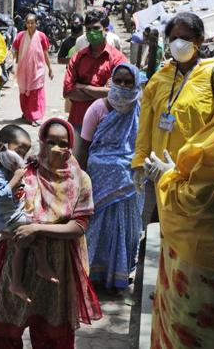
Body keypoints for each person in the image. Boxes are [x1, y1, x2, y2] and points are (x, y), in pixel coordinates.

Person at [148, 26, 214, 349]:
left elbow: (201, 197)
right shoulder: (161, 78)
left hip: (205, 271)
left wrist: (169, 176)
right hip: (191, 255)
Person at [0, 118, 101, 349]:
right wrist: (14, 232)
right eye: (50, 142)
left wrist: (36, 228)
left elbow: (79, 226)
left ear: (71, 145)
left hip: (57, 264)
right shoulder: (23, 171)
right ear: (41, 142)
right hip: (16, 258)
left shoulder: (80, 179)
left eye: (63, 143)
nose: (56, 148)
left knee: (52, 333)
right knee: (8, 327)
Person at [131, 12, 214, 234]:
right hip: (159, 174)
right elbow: (145, 126)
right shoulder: (159, 78)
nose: (178, 43)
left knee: (192, 233)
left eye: (184, 37)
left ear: (199, 40)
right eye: (174, 38)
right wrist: (138, 162)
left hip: (197, 177)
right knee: (159, 232)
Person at [75, 63, 144, 291]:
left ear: (136, 84)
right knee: (98, 229)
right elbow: (83, 147)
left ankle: (118, 276)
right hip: (99, 182)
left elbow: (143, 145)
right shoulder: (98, 108)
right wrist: (80, 180)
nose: (123, 86)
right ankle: (93, 275)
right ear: (111, 82)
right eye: (119, 81)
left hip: (129, 184)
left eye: (128, 82)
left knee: (125, 230)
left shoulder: (140, 109)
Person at [0, 125, 59, 304]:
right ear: (2, 147)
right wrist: (16, 177)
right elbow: (1, 196)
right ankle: (42, 267)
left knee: (24, 246)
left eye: (25, 153)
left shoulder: (7, 166)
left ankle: (17, 282)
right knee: (38, 228)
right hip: (9, 220)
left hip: (11, 217)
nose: (21, 158)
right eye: (19, 151)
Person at [63, 9, 127, 139]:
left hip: (108, 123)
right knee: (77, 158)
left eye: (96, 28)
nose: (92, 32)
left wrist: (82, 87)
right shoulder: (77, 58)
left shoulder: (118, 59)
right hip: (79, 120)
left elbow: (117, 94)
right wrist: (102, 91)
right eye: (88, 29)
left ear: (106, 30)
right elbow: (69, 91)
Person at [13, 14, 54, 127]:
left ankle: (36, 116)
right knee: (24, 92)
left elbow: (45, 53)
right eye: (28, 23)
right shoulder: (20, 36)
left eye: (32, 23)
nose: (30, 25)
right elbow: (16, 51)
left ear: (37, 23)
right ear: (25, 24)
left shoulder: (41, 36)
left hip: (38, 69)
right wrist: (14, 65)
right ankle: (26, 112)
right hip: (23, 69)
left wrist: (50, 69)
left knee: (35, 93)